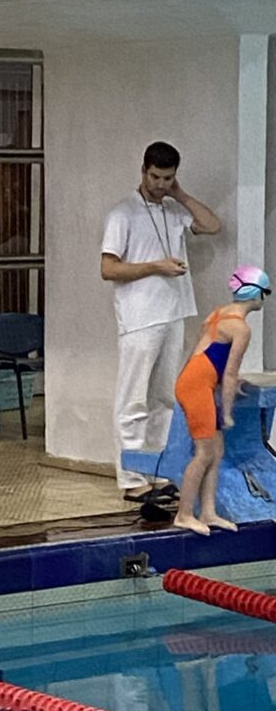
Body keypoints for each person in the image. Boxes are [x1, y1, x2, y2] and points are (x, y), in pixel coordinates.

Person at [101, 141, 221, 502]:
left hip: (173, 313)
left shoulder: (172, 209)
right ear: (143, 170)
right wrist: (156, 266)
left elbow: (212, 225)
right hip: (140, 317)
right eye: (155, 177)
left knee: (165, 398)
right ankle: (131, 477)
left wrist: (179, 194)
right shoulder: (122, 213)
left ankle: (156, 470)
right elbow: (109, 268)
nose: (160, 184)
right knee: (134, 399)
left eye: (168, 178)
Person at [173, 266, 271, 536]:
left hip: (193, 382)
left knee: (216, 451)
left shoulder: (217, 315)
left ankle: (208, 512)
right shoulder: (240, 328)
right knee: (204, 453)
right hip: (196, 388)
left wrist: (217, 383)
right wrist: (226, 413)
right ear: (256, 294)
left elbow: (203, 356)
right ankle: (183, 514)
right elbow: (229, 373)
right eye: (266, 292)